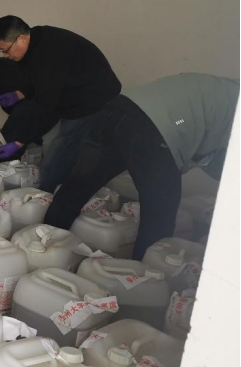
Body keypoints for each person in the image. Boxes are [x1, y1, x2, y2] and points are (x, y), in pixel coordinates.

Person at [44, 73, 239, 259]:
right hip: (154, 130)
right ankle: (146, 271)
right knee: (160, 211)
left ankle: (44, 240)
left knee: (78, 186)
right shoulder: (231, 100)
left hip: (114, 110)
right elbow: (225, 162)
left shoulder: (222, 88)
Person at [0, 16, 121, 191]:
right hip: (73, 92)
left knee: (58, 154)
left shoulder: (50, 52)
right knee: (64, 146)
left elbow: (46, 105)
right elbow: (38, 80)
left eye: (5, 50)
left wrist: (19, 142)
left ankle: (44, 197)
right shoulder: (33, 44)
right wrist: (18, 94)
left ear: (21, 39)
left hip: (93, 99)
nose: (5, 56)